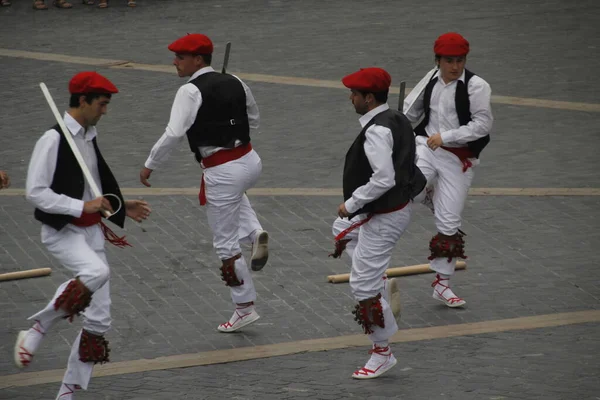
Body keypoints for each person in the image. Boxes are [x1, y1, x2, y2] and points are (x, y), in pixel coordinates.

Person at [14, 71, 151, 400]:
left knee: (99, 321)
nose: (105, 111)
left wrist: (120, 206)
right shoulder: (53, 139)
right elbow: (35, 192)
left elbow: (93, 181)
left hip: (91, 233)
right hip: (63, 232)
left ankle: (67, 392)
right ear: (83, 101)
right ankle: (39, 327)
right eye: (102, 104)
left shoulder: (88, 134)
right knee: (95, 272)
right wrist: (81, 205)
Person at [139, 33, 269, 333]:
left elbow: (174, 132)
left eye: (180, 57)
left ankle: (244, 306)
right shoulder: (235, 80)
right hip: (250, 160)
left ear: (198, 59)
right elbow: (253, 116)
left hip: (222, 169)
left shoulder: (189, 91)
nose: (175, 61)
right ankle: (254, 232)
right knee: (235, 198)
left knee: (224, 243)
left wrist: (150, 164)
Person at [334, 67, 426, 379]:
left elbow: (383, 177)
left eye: (355, 94)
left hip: (384, 214)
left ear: (369, 98)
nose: (351, 98)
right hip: (390, 208)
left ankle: (382, 351)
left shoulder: (376, 130)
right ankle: (380, 283)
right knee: (340, 231)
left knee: (361, 285)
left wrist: (352, 203)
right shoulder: (398, 119)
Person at [404, 32, 493, 308]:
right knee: (410, 184)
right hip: (427, 148)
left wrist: (448, 136)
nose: (455, 66)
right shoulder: (431, 78)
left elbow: (482, 125)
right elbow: (410, 109)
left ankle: (442, 284)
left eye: (460, 60)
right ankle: (428, 195)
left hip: (458, 159)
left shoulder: (477, 86)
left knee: (449, 223)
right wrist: (394, 127)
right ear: (438, 60)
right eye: (449, 61)